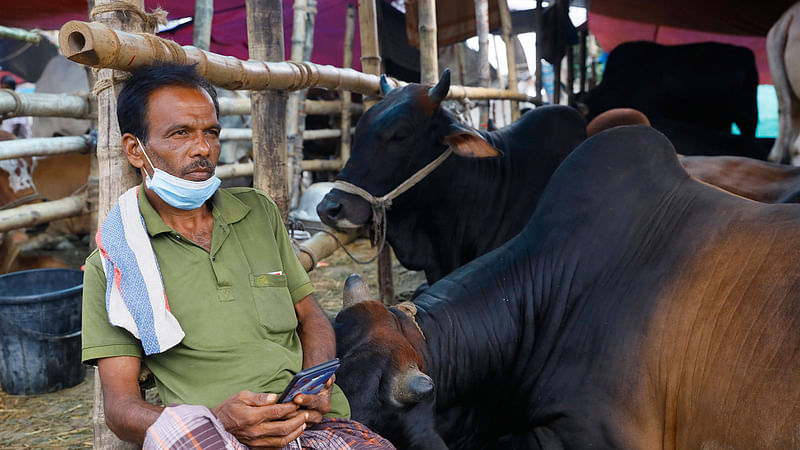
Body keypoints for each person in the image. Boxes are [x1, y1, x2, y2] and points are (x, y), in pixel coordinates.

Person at [81, 63, 394, 449]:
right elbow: (121, 408)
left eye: (210, 132)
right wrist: (218, 421)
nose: (202, 149)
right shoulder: (115, 262)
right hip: (211, 437)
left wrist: (316, 380)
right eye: (180, 133)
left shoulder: (258, 213)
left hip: (311, 425)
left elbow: (310, 314)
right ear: (135, 149)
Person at [1, 75, 32, 139]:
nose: (3, 89)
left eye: (6, 87)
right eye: (2, 86)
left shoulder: (18, 102)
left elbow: (20, 129)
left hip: (16, 141)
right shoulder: (3, 101)